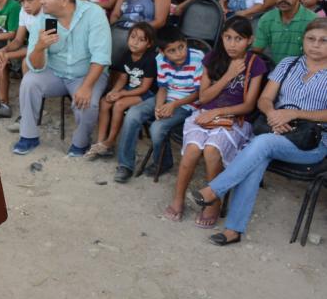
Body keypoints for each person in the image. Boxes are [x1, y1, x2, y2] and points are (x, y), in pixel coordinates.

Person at [192, 18, 327, 246]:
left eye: (323, 41)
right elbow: (264, 99)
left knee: (262, 144)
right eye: (311, 39)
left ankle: (214, 190)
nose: (316, 45)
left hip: (311, 142)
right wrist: (274, 114)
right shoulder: (288, 64)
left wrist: (294, 114)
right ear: (302, 40)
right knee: (258, 155)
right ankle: (233, 230)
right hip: (276, 130)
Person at [165, 16, 267, 227]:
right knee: (192, 149)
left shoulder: (255, 64)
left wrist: (219, 111)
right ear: (221, 38)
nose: (232, 44)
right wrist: (228, 75)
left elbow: (249, 106)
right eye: (228, 37)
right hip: (205, 114)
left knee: (212, 150)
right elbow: (203, 98)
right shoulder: (212, 58)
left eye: (238, 39)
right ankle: (178, 198)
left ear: (250, 40)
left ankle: (213, 202)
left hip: (235, 118)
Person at [13, 0, 112, 157]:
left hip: (87, 73)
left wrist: (86, 86)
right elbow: (35, 65)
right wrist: (39, 48)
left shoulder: (93, 14)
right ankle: (29, 136)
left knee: (87, 103)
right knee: (29, 82)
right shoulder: (46, 19)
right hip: (56, 72)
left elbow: (101, 57)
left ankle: (80, 144)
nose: (41, 1)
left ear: (64, 0)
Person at [113, 26, 204, 183]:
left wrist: (173, 105)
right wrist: (159, 106)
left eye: (181, 47)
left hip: (187, 103)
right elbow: (162, 87)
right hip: (166, 97)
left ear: (185, 42)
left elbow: (199, 93)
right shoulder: (160, 60)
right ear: (162, 52)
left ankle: (163, 162)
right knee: (133, 114)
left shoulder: (197, 57)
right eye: (172, 51)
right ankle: (125, 164)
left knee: (157, 127)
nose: (179, 53)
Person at [86, 23, 157, 160]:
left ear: (149, 44)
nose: (135, 42)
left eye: (141, 40)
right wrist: (114, 91)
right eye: (133, 37)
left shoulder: (150, 60)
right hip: (129, 89)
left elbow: (144, 88)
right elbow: (122, 79)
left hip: (146, 94)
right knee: (105, 102)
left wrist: (122, 94)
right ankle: (100, 142)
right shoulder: (127, 54)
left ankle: (110, 141)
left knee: (119, 105)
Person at [253, 0, 318, 63]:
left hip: (305, 72)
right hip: (274, 72)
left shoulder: (313, 20)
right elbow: (256, 52)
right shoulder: (266, 19)